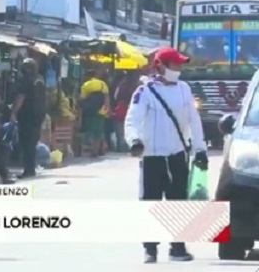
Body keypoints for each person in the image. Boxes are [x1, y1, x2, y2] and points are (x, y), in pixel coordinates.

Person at [125, 47, 208, 263]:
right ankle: (150, 249)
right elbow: (132, 119)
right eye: (175, 64)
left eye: (180, 65)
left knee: (178, 201)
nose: (179, 69)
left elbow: (194, 120)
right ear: (160, 65)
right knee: (150, 201)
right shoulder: (145, 91)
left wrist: (200, 149)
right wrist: (134, 140)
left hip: (178, 155)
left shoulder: (184, 89)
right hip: (153, 156)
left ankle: (177, 248)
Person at [10, 58, 46, 178]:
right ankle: (30, 168)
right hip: (38, 116)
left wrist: (13, 112)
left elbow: (20, 98)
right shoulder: (40, 79)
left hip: (27, 116)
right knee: (32, 143)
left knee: (26, 144)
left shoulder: (25, 81)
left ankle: (28, 170)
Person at [79, 69, 109, 157]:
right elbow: (107, 98)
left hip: (89, 112)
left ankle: (93, 148)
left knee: (90, 131)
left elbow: (82, 99)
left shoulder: (86, 85)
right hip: (101, 111)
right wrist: (107, 110)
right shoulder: (102, 84)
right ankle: (96, 149)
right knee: (99, 132)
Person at [112, 71, 138, 151]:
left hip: (121, 109)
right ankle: (127, 145)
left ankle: (121, 146)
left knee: (119, 129)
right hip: (130, 109)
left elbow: (115, 97)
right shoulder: (134, 86)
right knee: (127, 128)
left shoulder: (120, 86)